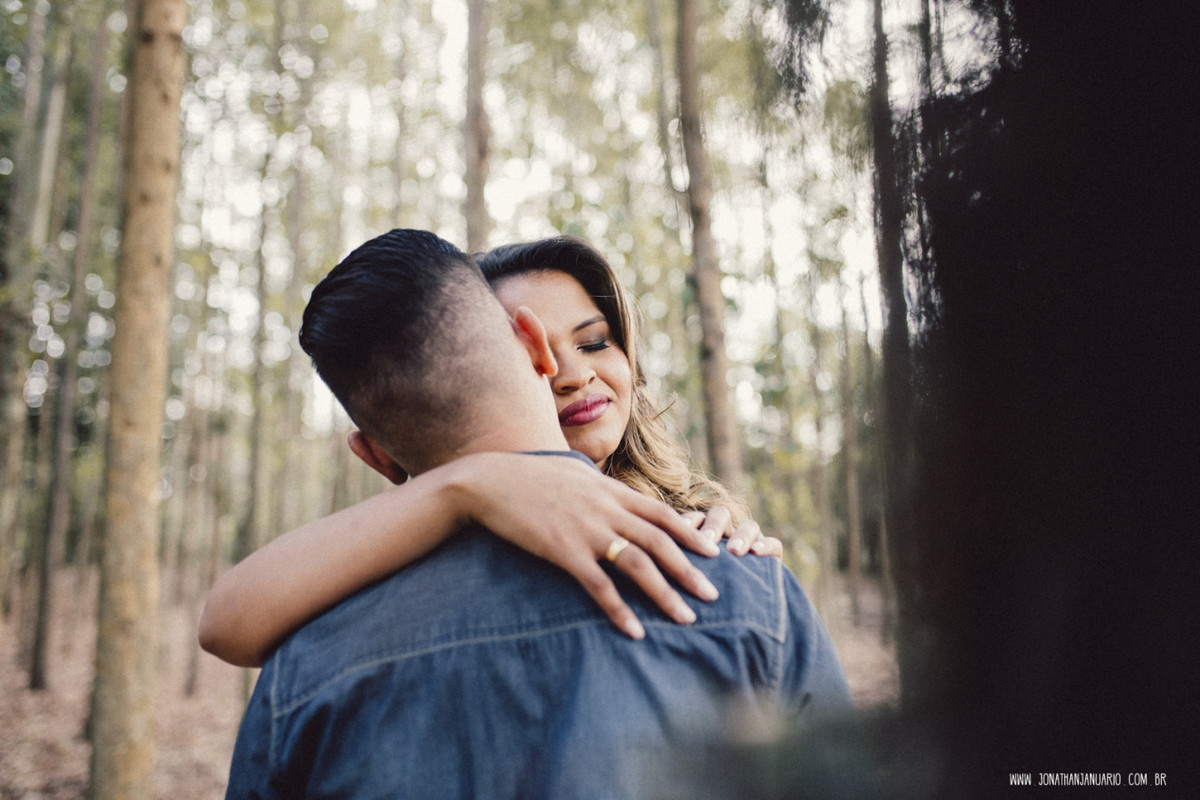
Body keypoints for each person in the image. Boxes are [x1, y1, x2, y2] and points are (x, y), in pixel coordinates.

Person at [223, 229, 872, 798]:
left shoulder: (305, 661)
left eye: (594, 341)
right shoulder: (739, 591)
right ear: (531, 349)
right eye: (556, 352)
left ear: (374, 456)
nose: (573, 375)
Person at [200, 236, 779, 667]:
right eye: (540, 356)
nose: (572, 374)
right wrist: (472, 486)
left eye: (595, 341)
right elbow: (225, 621)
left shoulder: (706, 543)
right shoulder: (381, 559)